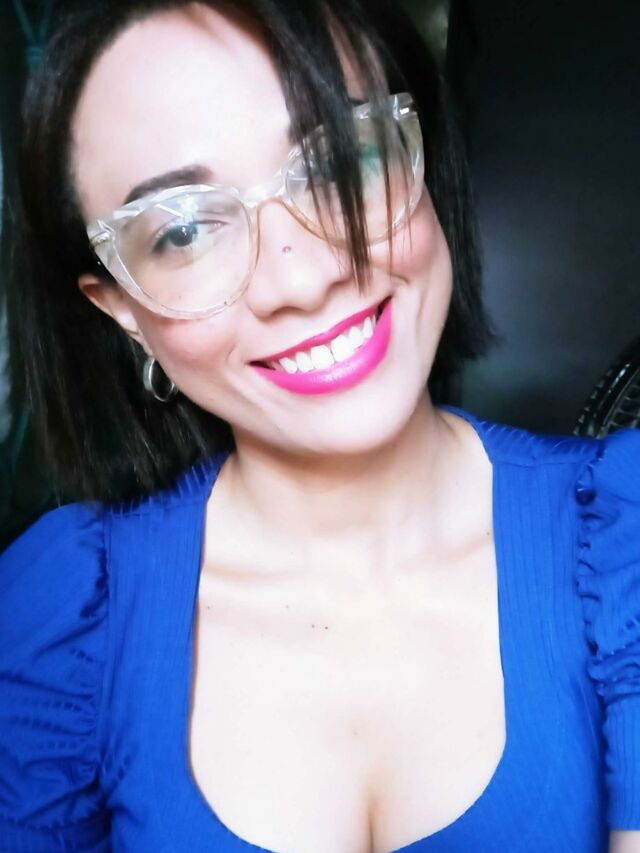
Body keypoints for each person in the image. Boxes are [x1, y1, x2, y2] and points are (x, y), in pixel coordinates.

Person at [1, 1, 639, 851]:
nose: (301, 278)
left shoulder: (621, 532)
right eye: (184, 230)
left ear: (418, 152)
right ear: (123, 310)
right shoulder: (60, 621)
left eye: (340, 159)